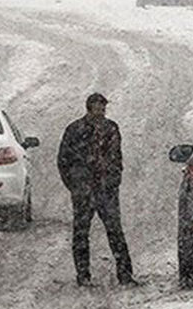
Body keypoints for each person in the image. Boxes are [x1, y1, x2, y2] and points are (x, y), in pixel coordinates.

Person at [57, 93, 136, 287]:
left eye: (103, 108)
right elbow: (63, 160)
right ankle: (83, 275)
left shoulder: (111, 129)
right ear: (89, 108)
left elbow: (117, 158)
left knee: (115, 231)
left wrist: (112, 181)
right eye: (98, 107)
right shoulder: (75, 130)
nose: (101, 111)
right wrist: (75, 185)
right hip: (84, 190)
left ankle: (124, 274)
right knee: (81, 233)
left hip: (105, 189)